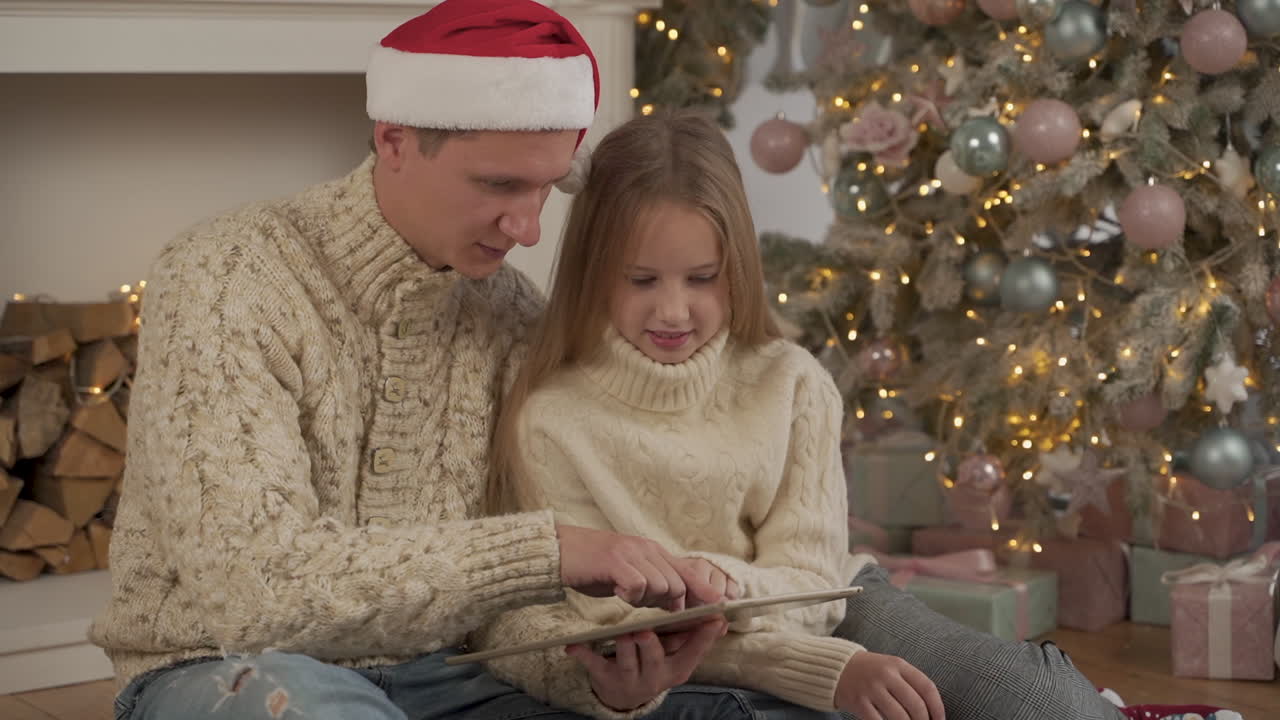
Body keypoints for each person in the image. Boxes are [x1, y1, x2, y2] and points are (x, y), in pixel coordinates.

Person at [89, 3, 734, 719]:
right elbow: (255, 595)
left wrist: (598, 681)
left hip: (450, 674)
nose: (527, 228)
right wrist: (544, 549)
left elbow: (498, 616)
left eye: (547, 187)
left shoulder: (512, 315)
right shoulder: (225, 275)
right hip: (226, 670)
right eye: (499, 186)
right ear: (394, 140)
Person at [473, 110, 1130, 720]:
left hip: (834, 606)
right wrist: (824, 673)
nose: (673, 312)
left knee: (1047, 703)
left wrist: (722, 586)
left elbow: (814, 584)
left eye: (702, 278)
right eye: (641, 280)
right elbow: (603, 630)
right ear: (593, 272)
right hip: (678, 664)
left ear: (738, 266)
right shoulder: (551, 418)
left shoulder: (793, 384)